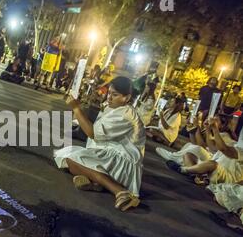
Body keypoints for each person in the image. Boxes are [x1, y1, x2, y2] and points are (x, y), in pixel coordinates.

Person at [54, 77, 145, 212]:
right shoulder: (114, 108)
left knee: (72, 159)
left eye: (115, 94)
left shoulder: (126, 114)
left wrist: (76, 108)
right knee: (64, 156)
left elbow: (93, 134)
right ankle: (97, 183)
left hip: (123, 162)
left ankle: (120, 191)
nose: (109, 97)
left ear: (126, 98)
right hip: (109, 153)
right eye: (109, 93)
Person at [167, 116, 243, 185]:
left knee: (210, 162)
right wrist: (195, 130)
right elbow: (201, 144)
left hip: (222, 173)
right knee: (188, 155)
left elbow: (210, 147)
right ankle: (195, 176)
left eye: (215, 120)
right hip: (213, 163)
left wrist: (212, 128)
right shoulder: (219, 135)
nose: (212, 120)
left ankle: (182, 169)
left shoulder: (225, 136)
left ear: (223, 125)